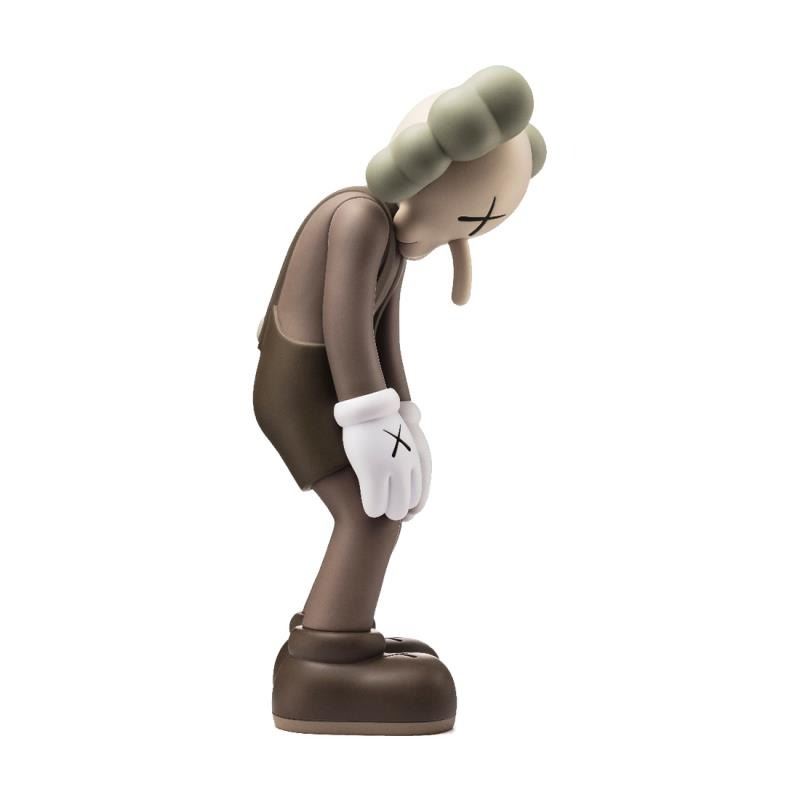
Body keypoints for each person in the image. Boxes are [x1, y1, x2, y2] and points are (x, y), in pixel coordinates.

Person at [254, 65, 546, 734]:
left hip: (327, 386)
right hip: (299, 391)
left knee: (377, 510)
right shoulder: (358, 218)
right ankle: (325, 653)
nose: (454, 243)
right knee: (369, 515)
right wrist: (369, 419)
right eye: (468, 221)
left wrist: (404, 420)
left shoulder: (386, 231)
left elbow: (382, 332)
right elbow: (344, 328)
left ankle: (341, 631)